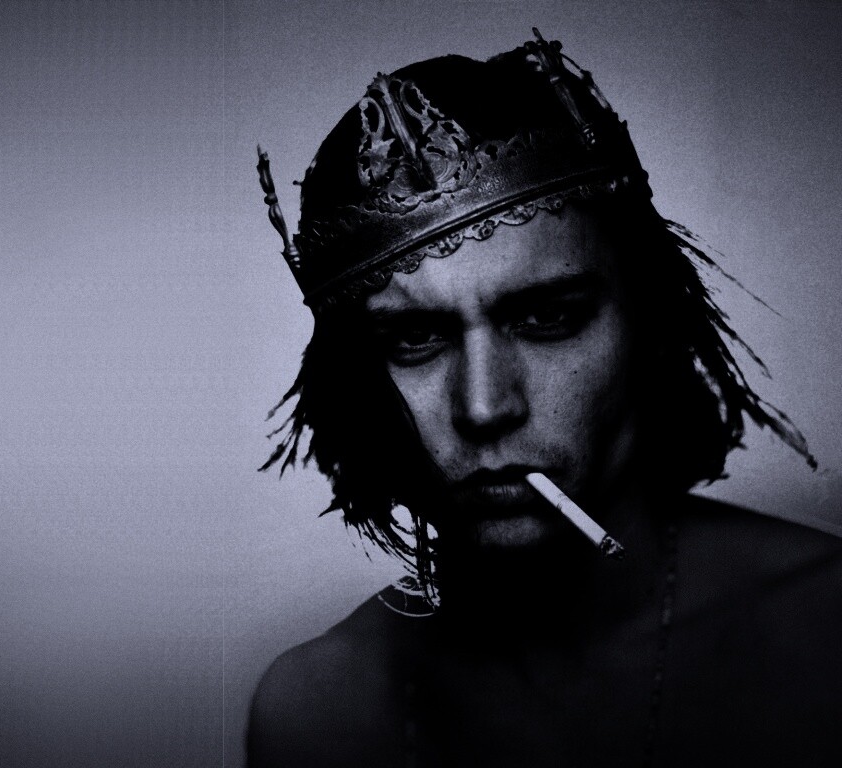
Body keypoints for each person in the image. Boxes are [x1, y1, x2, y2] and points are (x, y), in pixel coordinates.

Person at [247, 31, 842, 767]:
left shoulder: (826, 632)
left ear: (651, 324)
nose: (484, 407)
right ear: (355, 383)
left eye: (548, 317)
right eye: (416, 338)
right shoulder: (318, 716)